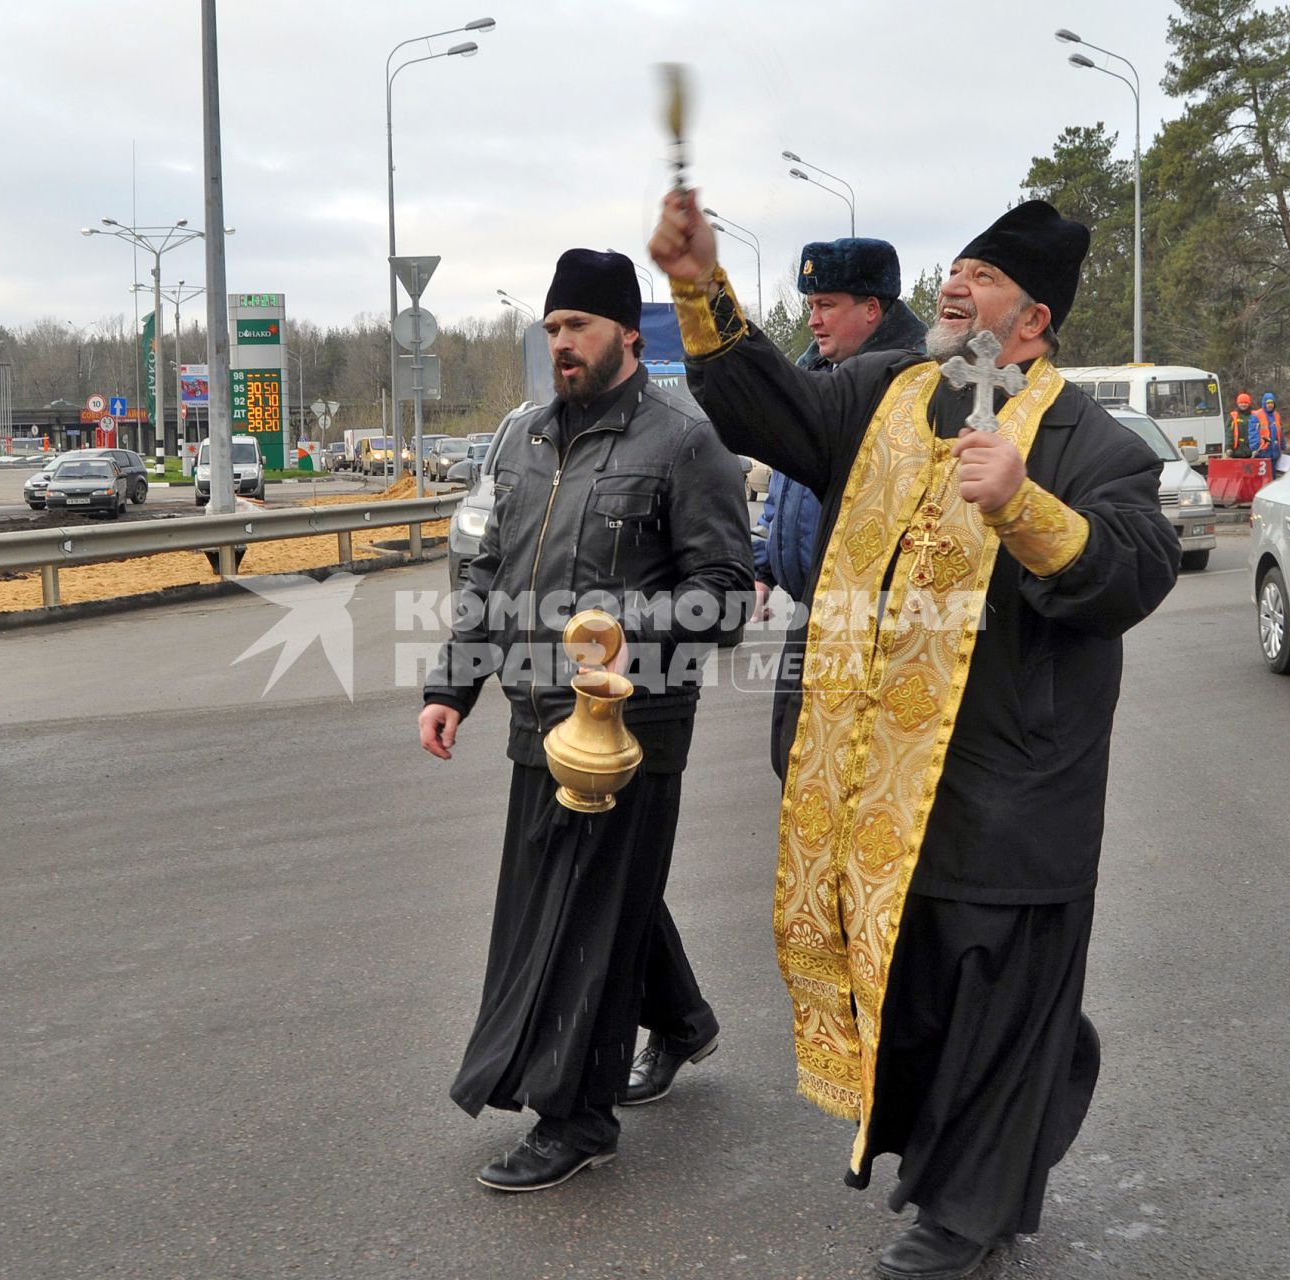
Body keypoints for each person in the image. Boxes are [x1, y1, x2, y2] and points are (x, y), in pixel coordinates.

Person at [650, 193, 1179, 1279]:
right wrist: (703, 289)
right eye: (958, 270)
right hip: (884, 791)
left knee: (998, 999)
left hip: (1016, 790)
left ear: (1032, 324)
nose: (955, 287)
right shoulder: (887, 395)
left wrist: (1028, 504)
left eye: (982, 280)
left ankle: (965, 1214)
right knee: (928, 999)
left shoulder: (1093, 441)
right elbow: (770, 408)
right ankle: (1020, 1108)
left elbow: (1134, 571)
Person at [419, 249, 751, 1192]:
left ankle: (577, 1118)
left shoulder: (684, 442)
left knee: (576, 919)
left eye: (579, 328)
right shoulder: (521, 438)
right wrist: (452, 687)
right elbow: (486, 574)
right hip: (536, 718)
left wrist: (613, 630)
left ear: (624, 336)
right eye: (552, 328)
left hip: (632, 730)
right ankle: (681, 1022)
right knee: (594, 896)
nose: (560, 344)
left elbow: (726, 596)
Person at [754, 237, 927, 778]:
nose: (813, 320)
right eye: (810, 305)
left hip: (873, 628)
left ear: (873, 309)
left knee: (856, 777)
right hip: (809, 616)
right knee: (796, 759)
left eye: (827, 305)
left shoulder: (914, 388)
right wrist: (762, 567)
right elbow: (785, 493)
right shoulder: (815, 380)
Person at [1250, 392, 1284, 472]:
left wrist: (1282, 445)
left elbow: (1280, 432)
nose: (1270, 405)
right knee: (1263, 478)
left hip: (1275, 452)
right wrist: (1255, 448)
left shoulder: (1277, 415)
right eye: (1268, 403)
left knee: (1273, 476)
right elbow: (1253, 433)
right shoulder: (1256, 415)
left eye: (1272, 402)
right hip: (1262, 452)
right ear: (1264, 403)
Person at [1227, 391, 1254, 458]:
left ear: (1249, 403)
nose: (1243, 405)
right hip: (1236, 451)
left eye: (1245, 403)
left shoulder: (1254, 415)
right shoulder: (1233, 416)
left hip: (1251, 452)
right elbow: (1229, 433)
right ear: (1238, 404)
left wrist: (1256, 448)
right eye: (1241, 403)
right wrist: (1228, 448)